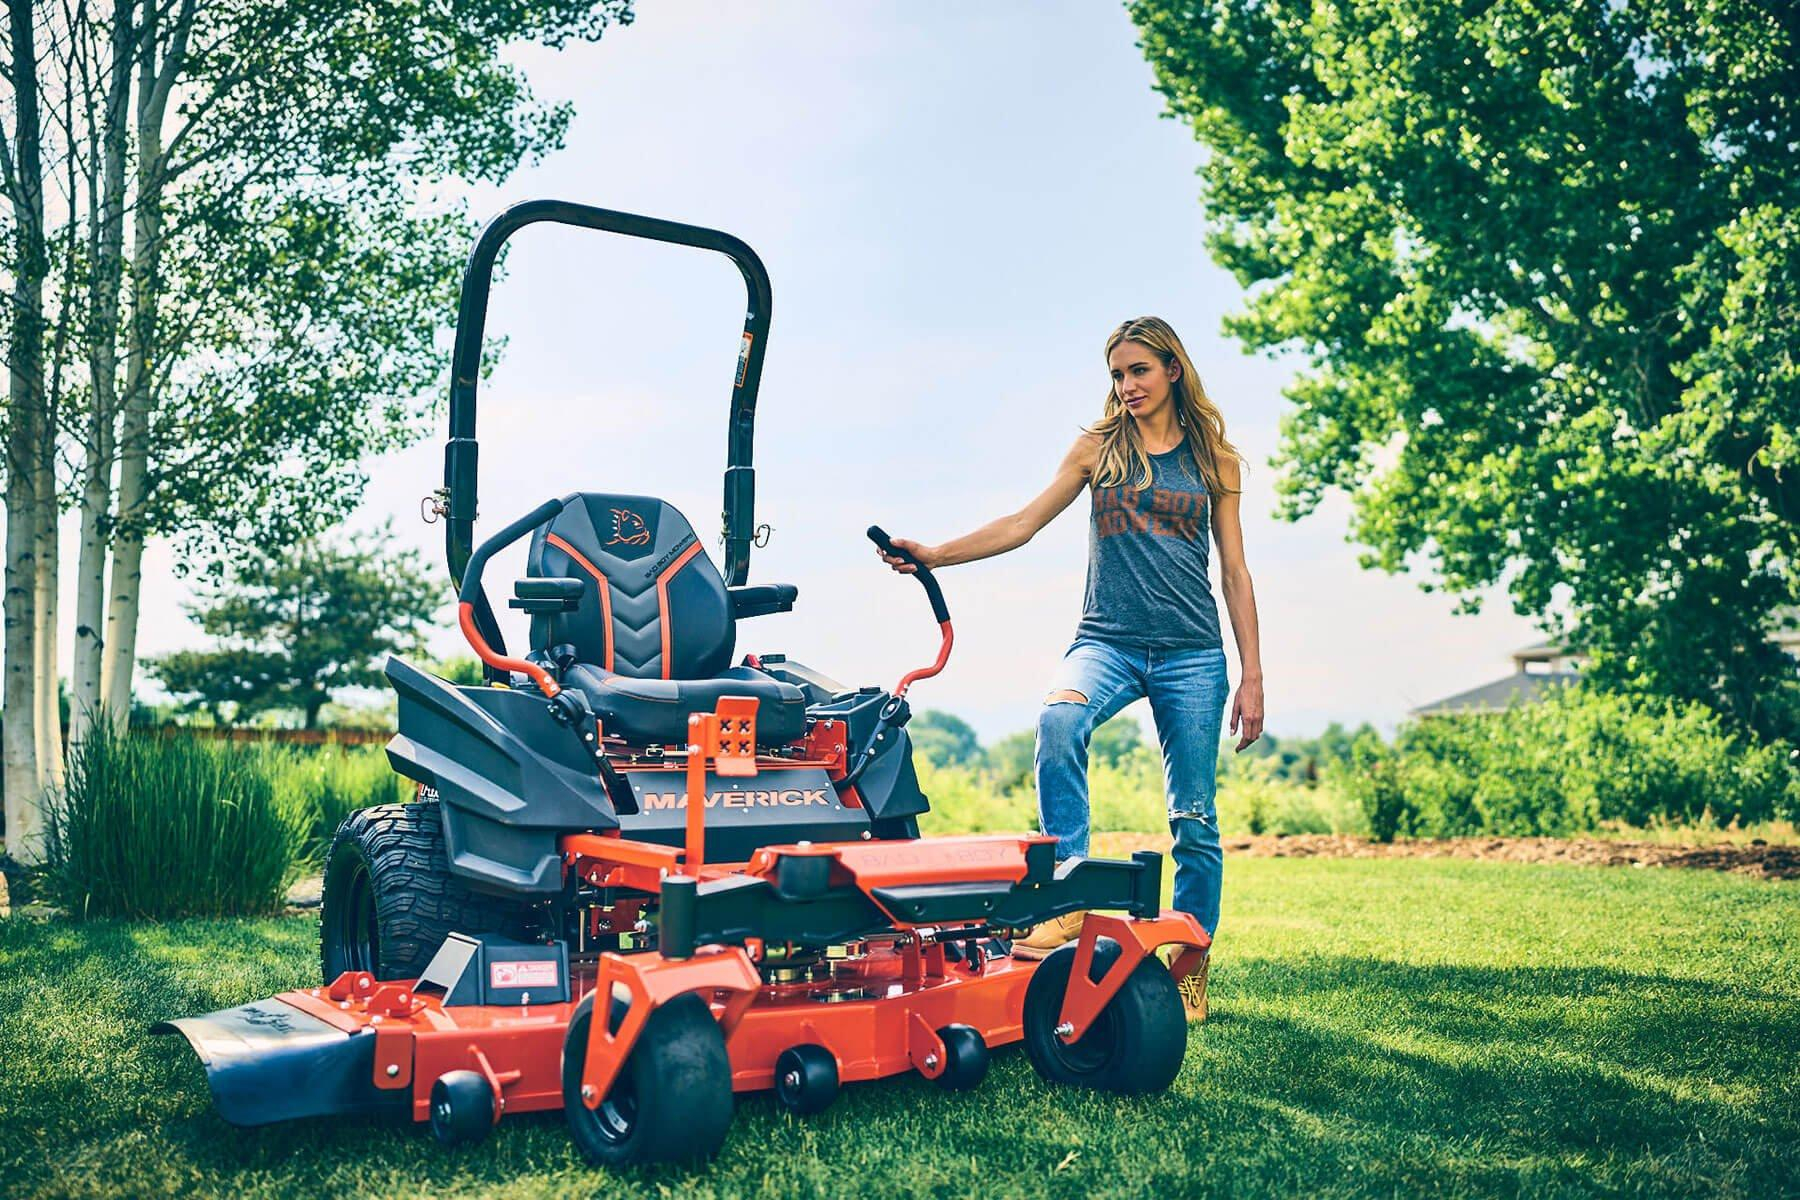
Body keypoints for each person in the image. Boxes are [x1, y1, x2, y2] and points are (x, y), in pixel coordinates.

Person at [879, 316, 1264, 1020]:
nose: (1126, 386)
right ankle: (1071, 895)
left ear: (1172, 369)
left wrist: (1254, 674)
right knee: (1059, 719)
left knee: (1194, 816)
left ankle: (1191, 960)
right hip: (1106, 641)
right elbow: (1022, 524)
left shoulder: (1215, 462)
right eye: (1117, 374)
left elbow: (1235, 570)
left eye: (1138, 371)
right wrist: (934, 554)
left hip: (1192, 653)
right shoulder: (1098, 450)